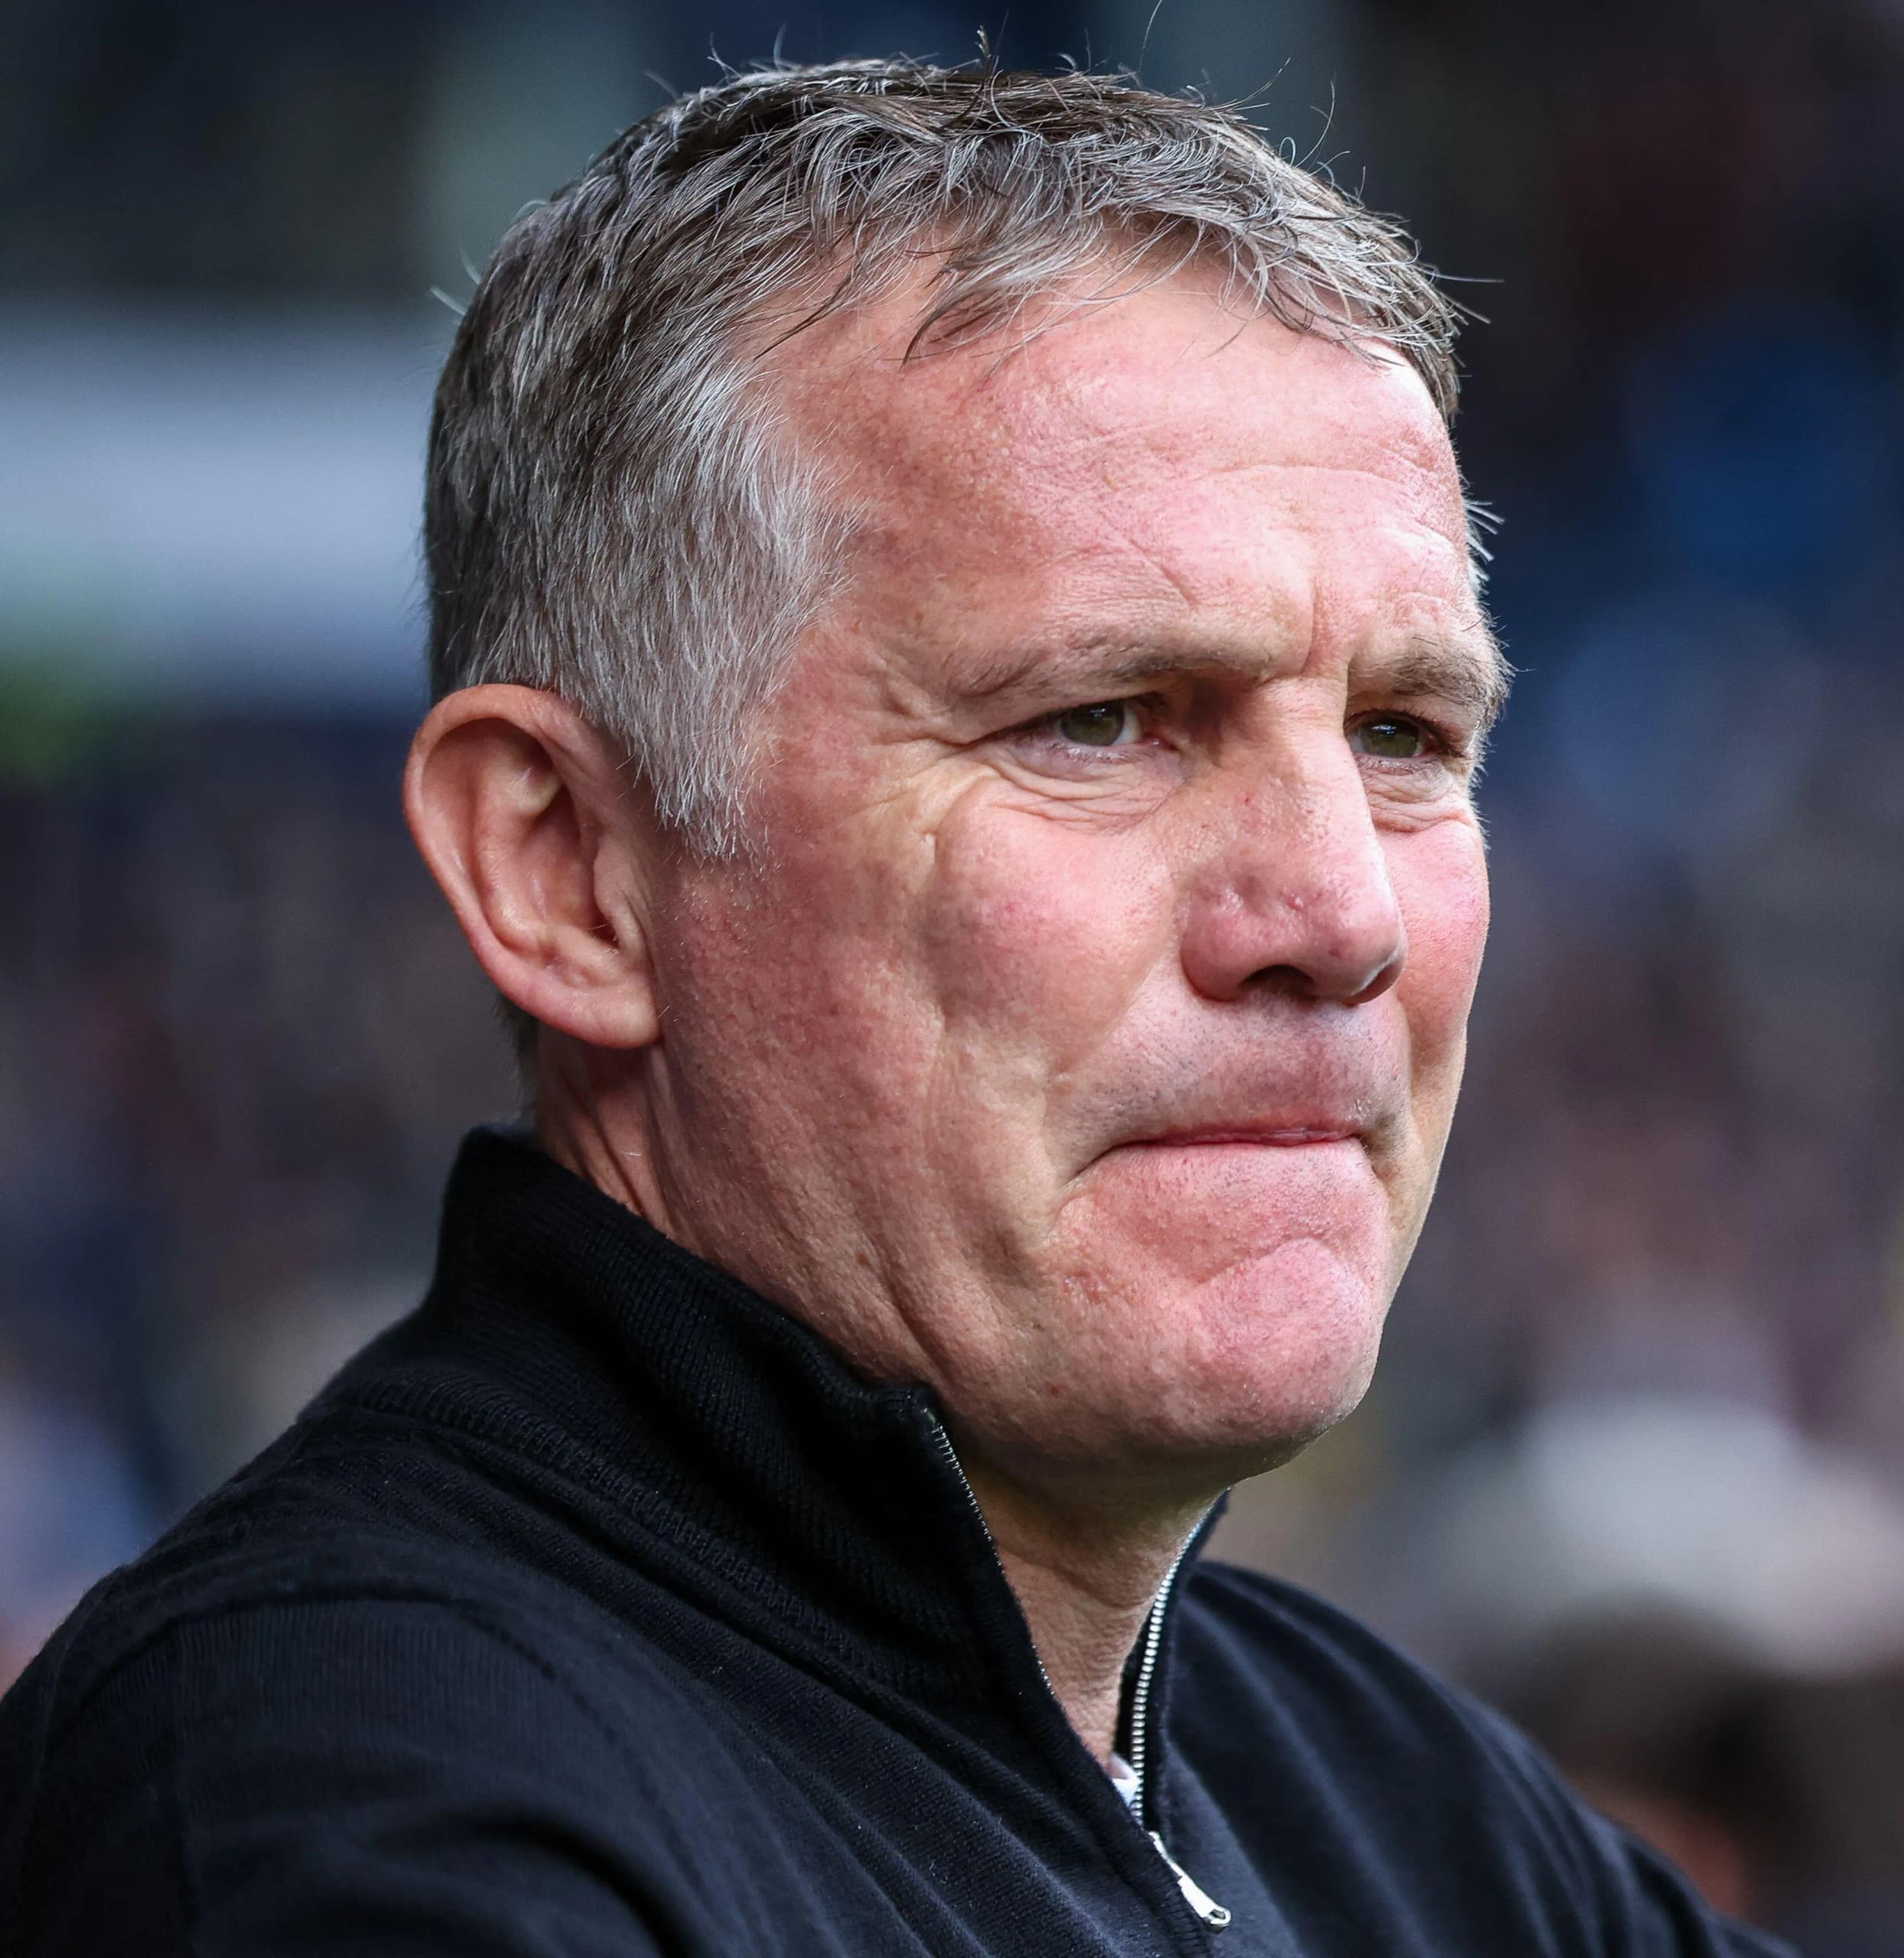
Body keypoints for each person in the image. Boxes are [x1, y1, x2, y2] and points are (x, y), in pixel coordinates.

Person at [0, 58, 1783, 1957]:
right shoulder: (337, 1814)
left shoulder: (1415, 1819)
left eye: (1406, 734)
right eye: (1102, 720)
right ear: (565, 868)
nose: (1339, 911)